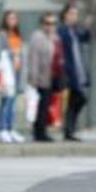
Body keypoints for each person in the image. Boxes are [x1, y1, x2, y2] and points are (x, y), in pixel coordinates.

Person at [57, 3, 91, 141]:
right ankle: (68, 129)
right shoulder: (62, 31)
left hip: (78, 69)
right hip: (69, 71)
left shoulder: (74, 31)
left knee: (78, 100)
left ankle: (69, 128)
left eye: (76, 14)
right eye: (72, 14)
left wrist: (88, 26)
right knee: (77, 98)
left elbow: (86, 38)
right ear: (65, 15)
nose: (74, 17)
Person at [27, 13, 60, 142]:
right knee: (42, 105)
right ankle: (39, 132)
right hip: (41, 77)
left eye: (53, 23)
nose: (50, 26)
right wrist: (34, 78)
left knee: (47, 105)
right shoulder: (38, 38)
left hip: (53, 75)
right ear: (42, 24)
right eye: (48, 23)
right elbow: (34, 59)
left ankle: (43, 129)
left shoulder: (55, 38)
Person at [0, 10, 25, 143]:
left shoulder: (17, 35)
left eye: (14, 18)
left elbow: (20, 53)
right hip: (7, 74)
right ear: (5, 20)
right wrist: (12, 52)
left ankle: (11, 128)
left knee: (12, 102)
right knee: (5, 101)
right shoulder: (2, 34)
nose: (12, 20)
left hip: (16, 72)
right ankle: (2, 129)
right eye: (10, 18)